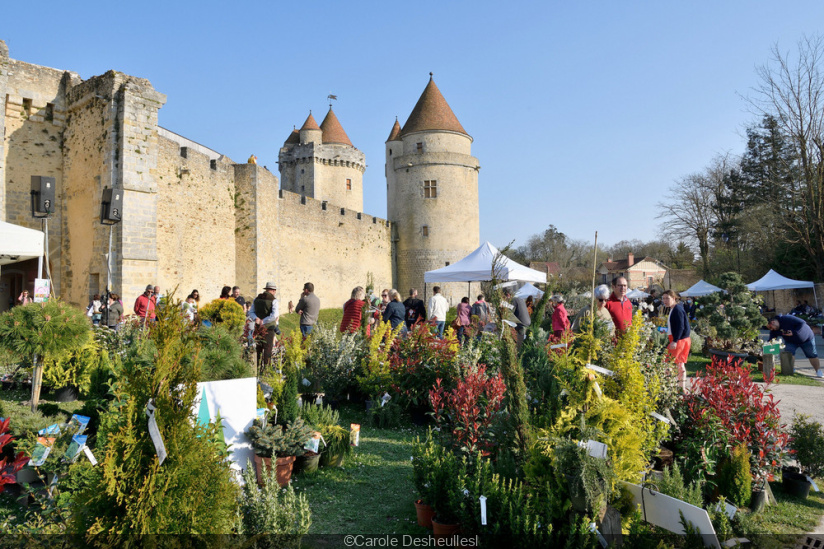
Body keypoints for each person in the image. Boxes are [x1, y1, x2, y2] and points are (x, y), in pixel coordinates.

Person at [662, 290, 691, 390]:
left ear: (673, 298)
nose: (665, 300)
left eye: (667, 298)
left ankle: (671, 386)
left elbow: (680, 327)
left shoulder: (677, 309)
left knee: (668, 362)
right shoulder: (675, 308)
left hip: (679, 340)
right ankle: (680, 388)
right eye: (663, 298)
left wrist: (675, 341)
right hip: (682, 339)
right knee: (679, 364)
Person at [253, 282, 280, 368]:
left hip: (258, 327)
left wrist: (256, 319)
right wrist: (264, 321)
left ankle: (257, 368)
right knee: (268, 349)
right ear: (273, 290)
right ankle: (266, 370)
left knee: (259, 348)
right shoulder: (274, 300)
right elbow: (274, 315)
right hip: (268, 327)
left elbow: (251, 312)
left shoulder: (256, 299)